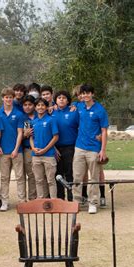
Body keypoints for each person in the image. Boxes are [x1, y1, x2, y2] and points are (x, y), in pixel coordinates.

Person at [72, 84, 108, 214]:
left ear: (92, 94)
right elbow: (71, 105)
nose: (85, 95)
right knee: (77, 176)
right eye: (83, 93)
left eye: (87, 93)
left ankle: (92, 202)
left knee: (94, 177)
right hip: (79, 147)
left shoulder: (100, 110)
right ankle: (76, 202)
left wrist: (103, 150)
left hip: (94, 149)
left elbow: (104, 131)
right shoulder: (79, 106)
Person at [0, 88, 25, 211]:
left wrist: (16, 148)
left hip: (16, 151)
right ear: (2, 98)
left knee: (20, 177)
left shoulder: (19, 114)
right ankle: (4, 202)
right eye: (6, 97)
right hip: (3, 151)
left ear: (13, 98)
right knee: (4, 177)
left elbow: (20, 133)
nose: (8, 99)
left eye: (10, 97)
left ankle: (22, 202)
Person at [30, 98, 59, 198]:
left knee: (50, 180)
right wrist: (33, 148)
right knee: (38, 180)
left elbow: (55, 137)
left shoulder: (51, 120)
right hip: (36, 155)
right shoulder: (33, 122)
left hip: (48, 155)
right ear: (35, 107)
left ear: (46, 107)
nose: (40, 107)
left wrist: (45, 149)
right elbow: (31, 138)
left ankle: (53, 201)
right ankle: (40, 200)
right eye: (38, 105)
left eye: (42, 105)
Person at [53, 90, 78, 201]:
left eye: (64, 97)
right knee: (58, 174)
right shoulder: (51, 112)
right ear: (56, 100)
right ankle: (60, 198)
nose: (61, 99)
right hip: (55, 148)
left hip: (70, 147)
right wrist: (53, 148)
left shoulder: (74, 112)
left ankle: (71, 198)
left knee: (69, 173)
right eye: (59, 98)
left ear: (68, 101)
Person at [21, 95, 38, 200]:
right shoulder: (22, 118)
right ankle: (32, 198)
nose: (27, 107)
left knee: (41, 175)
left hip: (42, 149)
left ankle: (42, 197)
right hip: (28, 149)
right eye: (25, 105)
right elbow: (20, 136)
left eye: (30, 105)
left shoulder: (40, 115)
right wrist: (24, 134)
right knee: (31, 175)